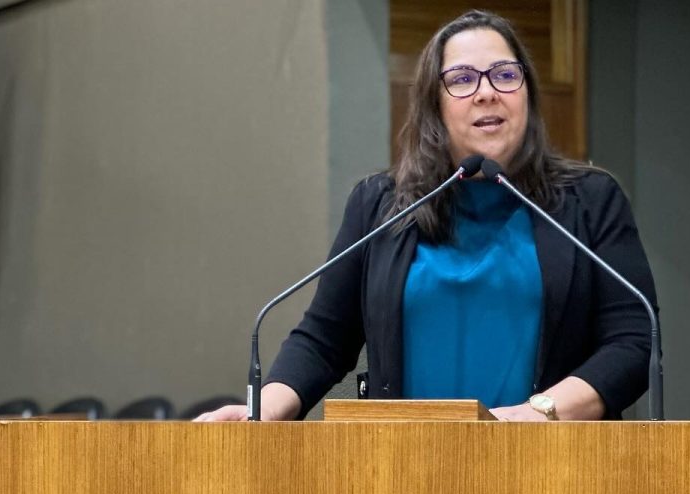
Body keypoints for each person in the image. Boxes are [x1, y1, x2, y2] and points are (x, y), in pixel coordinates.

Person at [198, 10, 657, 423]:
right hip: (402, 473)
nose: (486, 93)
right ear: (433, 104)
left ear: (527, 94)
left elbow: (632, 342)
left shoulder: (590, 201)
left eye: (504, 75)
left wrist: (541, 413)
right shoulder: (382, 205)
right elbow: (324, 338)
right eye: (461, 79)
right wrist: (261, 411)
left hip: (552, 474)